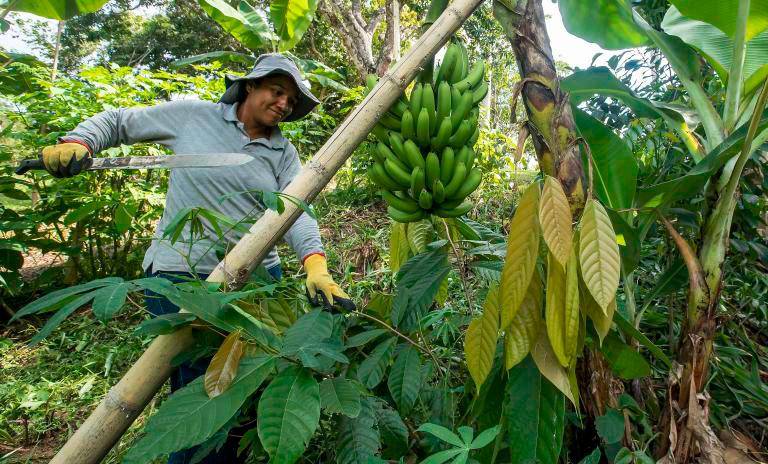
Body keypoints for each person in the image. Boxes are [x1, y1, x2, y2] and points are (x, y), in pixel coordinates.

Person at [40, 53, 355, 463]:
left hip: (256, 282)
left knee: (243, 389)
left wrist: (316, 264)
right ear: (250, 86)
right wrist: (78, 142)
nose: (283, 104)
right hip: (184, 276)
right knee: (205, 393)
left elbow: (295, 210)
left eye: (291, 102)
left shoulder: (282, 152)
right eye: (277, 92)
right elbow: (119, 121)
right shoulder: (193, 116)